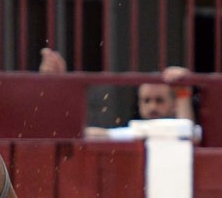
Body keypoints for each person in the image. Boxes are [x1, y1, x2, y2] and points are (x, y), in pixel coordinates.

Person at [38, 47, 197, 137]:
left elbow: (187, 131)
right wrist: (57, 85)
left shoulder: (185, 130)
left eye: (159, 100)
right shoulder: (134, 132)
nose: (152, 107)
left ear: (174, 104)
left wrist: (183, 91)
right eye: (146, 100)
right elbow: (84, 135)